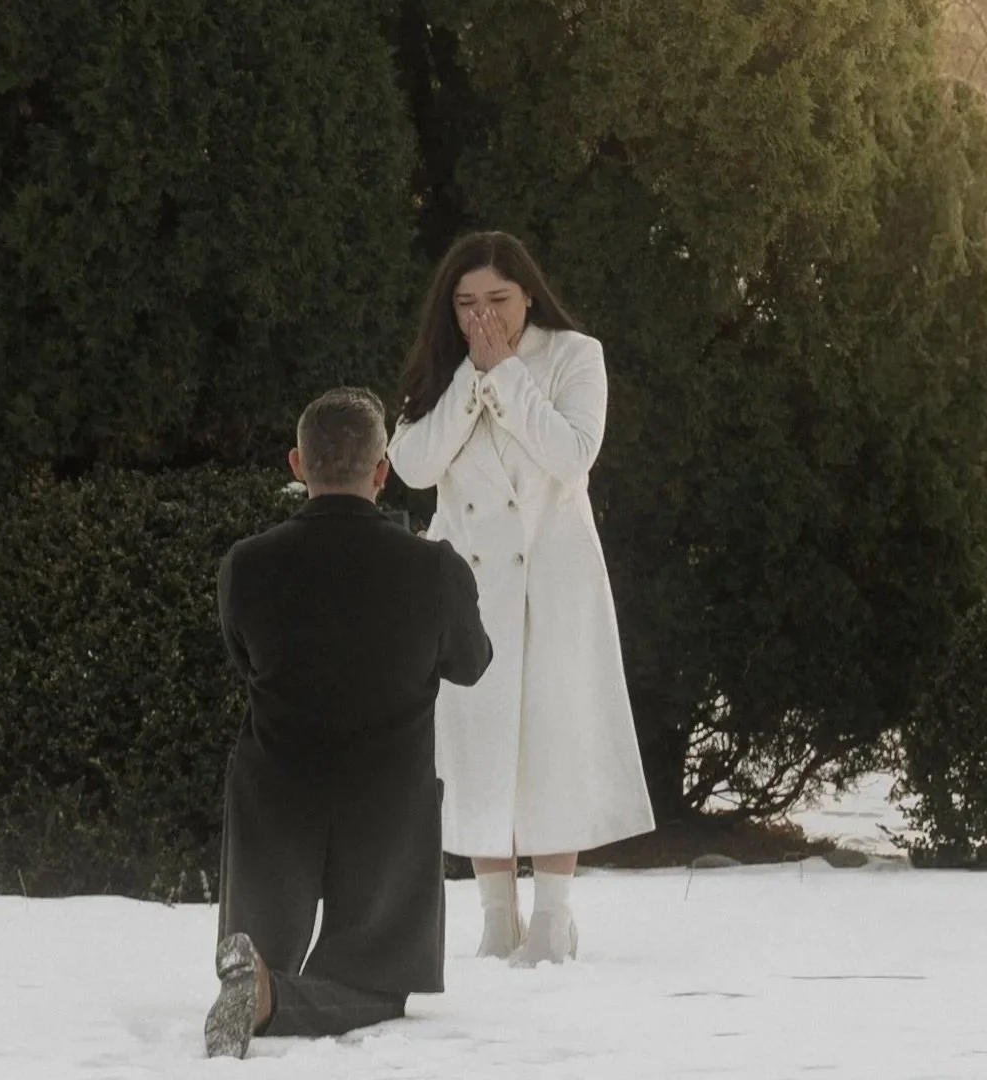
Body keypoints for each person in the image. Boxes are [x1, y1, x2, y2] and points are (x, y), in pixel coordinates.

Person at [387, 231, 654, 967]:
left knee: (551, 738)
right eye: (466, 302)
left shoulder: (575, 356)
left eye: (497, 301)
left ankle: (552, 918)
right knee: (474, 747)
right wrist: (468, 383)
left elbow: (571, 456)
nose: (483, 317)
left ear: (527, 294)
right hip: (470, 585)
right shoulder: (441, 367)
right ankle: (495, 915)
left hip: (552, 577)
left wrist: (504, 376)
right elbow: (411, 464)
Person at [203, 387, 494, 1059]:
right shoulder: (432, 568)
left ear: (297, 463)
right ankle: (271, 997)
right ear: (381, 469)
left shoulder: (245, 564)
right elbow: (471, 664)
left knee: (255, 951)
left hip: (275, 791)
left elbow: (244, 658)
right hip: (385, 799)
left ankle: (254, 981)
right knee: (377, 986)